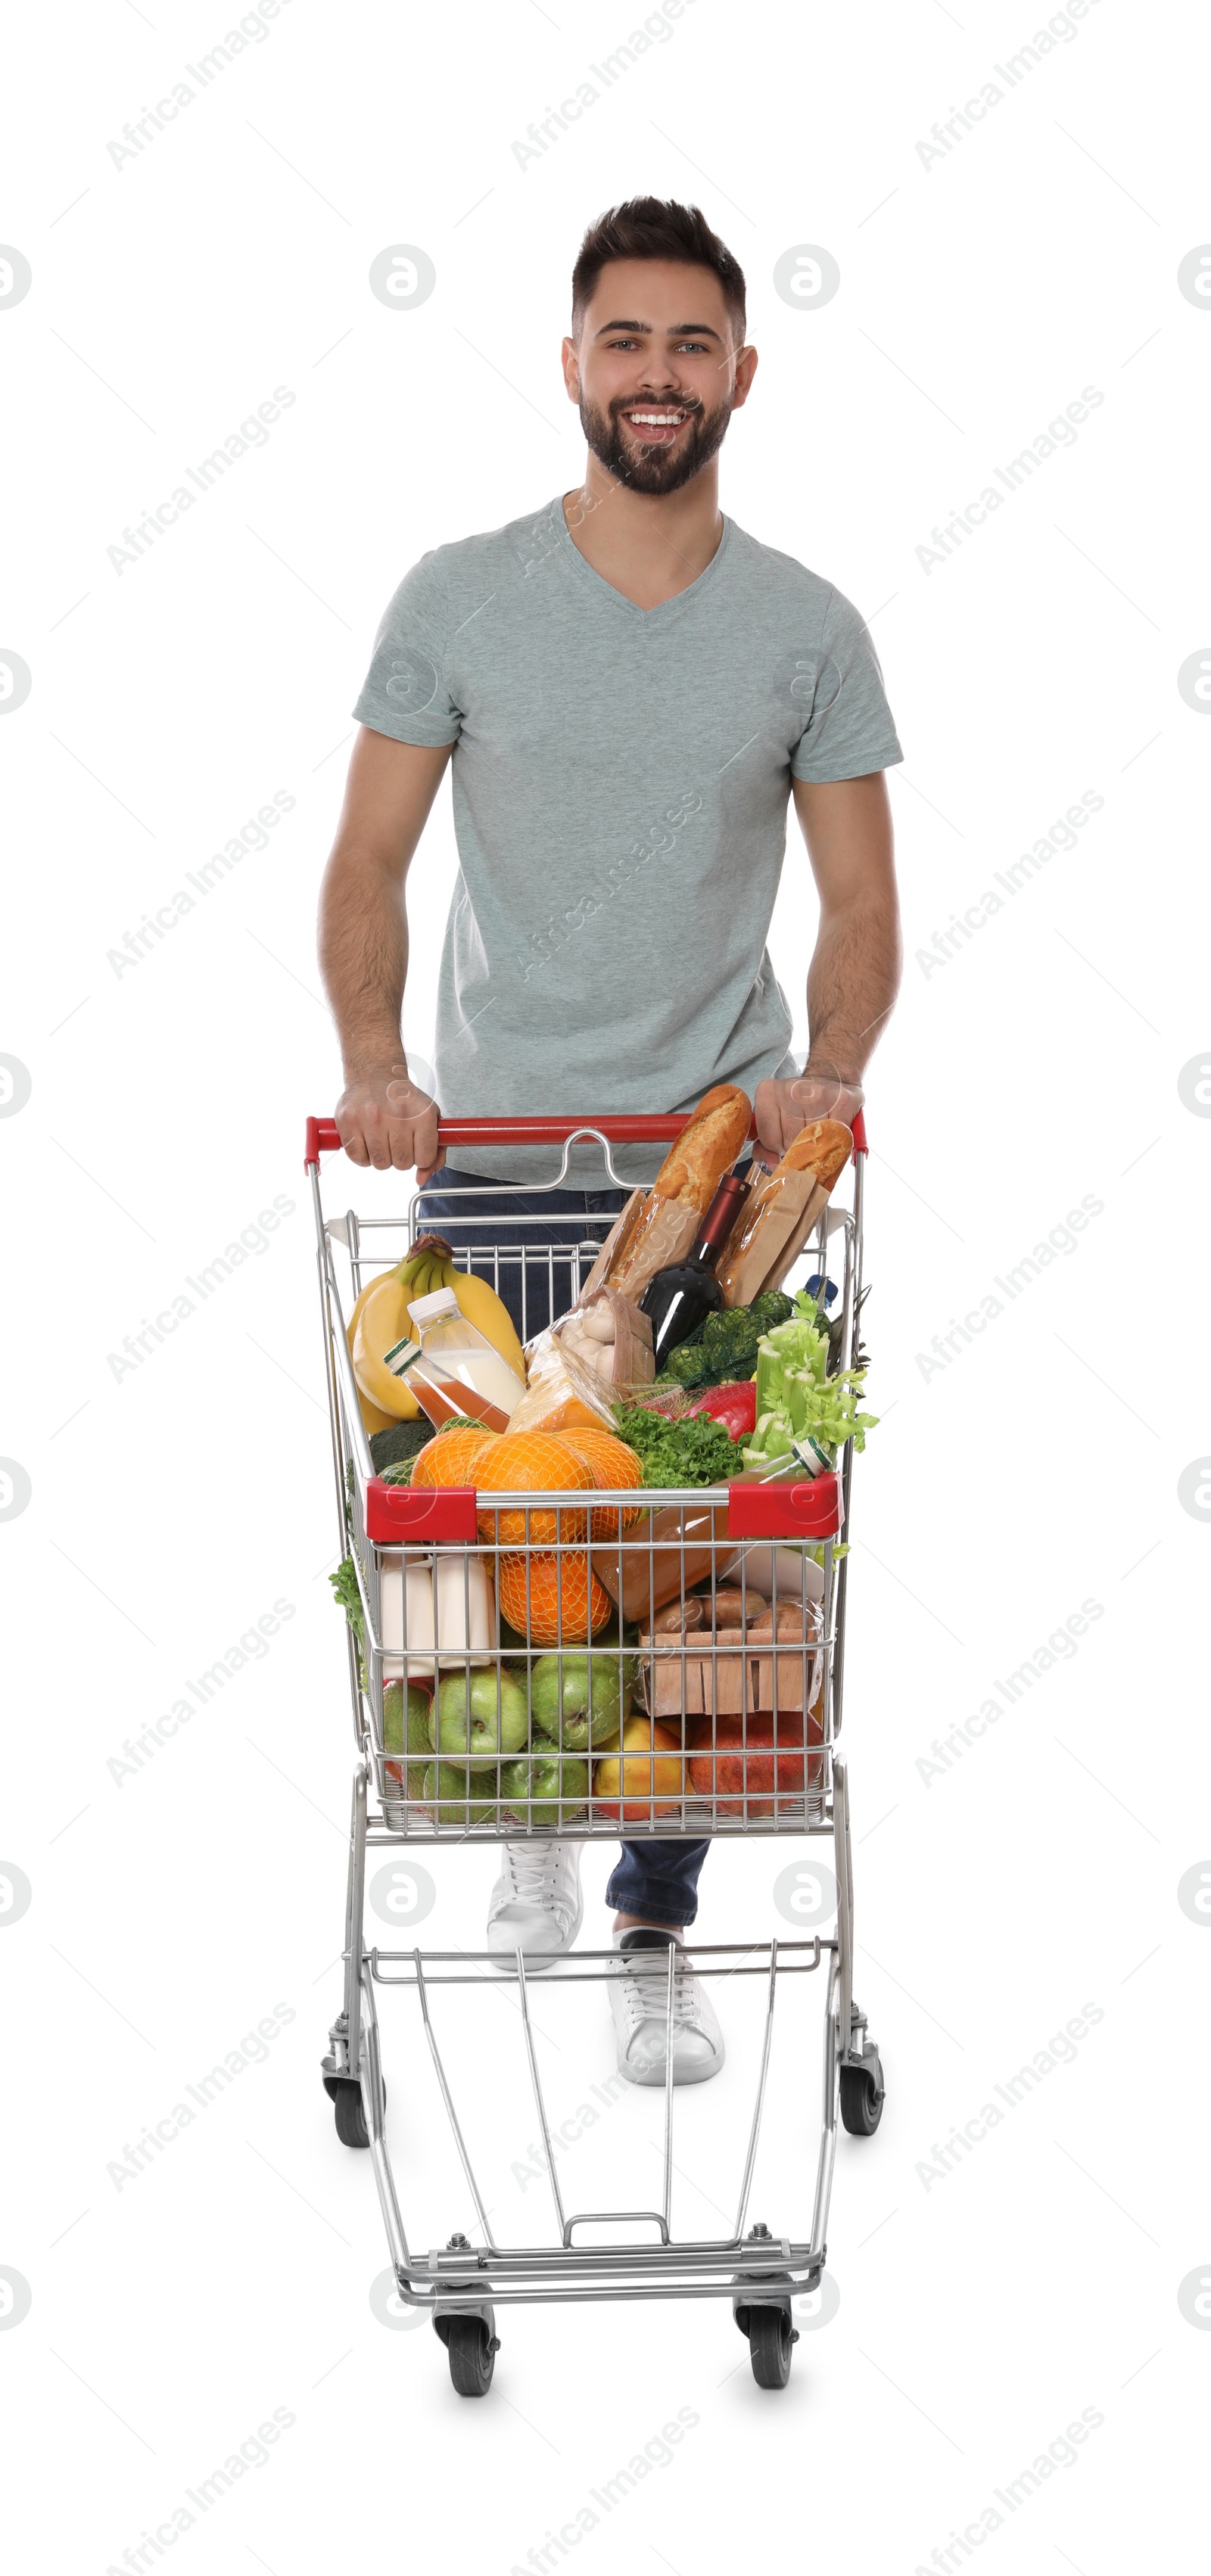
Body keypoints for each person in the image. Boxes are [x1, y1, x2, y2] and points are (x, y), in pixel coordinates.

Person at [319, 196, 902, 2088]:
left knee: (707, 1561)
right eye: (625, 341)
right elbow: (368, 860)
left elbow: (861, 897)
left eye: (692, 344)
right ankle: (532, 1832)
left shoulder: (806, 629)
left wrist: (826, 1062)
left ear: (743, 372)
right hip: (493, 1151)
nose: (659, 376)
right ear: (570, 363)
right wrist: (370, 1053)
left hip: (717, 1162)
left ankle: (657, 1917)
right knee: (500, 1543)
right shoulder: (457, 596)